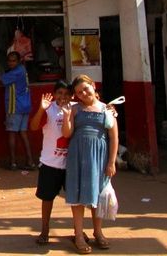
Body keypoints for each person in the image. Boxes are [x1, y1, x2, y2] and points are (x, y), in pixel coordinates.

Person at [62, 74, 119, 254]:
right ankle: (78, 235)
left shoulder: (107, 110)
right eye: (79, 92)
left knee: (97, 196)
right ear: (76, 95)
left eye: (86, 88)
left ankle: (98, 232)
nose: (83, 93)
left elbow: (114, 137)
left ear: (93, 86)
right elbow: (66, 134)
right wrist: (66, 116)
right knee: (77, 197)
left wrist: (111, 162)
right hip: (77, 156)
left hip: (99, 158)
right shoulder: (75, 109)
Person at [29, 80, 72, 245]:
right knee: (47, 199)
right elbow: (33, 127)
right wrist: (41, 108)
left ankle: (78, 229)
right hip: (50, 163)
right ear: (54, 94)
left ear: (71, 96)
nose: (63, 97)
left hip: (70, 164)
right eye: (60, 93)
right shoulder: (49, 109)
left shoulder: (74, 108)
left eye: (67, 94)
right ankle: (45, 229)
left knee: (76, 199)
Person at [0, 51, 35, 170]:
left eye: (13, 60)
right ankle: (30, 161)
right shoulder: (23, 70)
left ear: (18, 61)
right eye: (9, 60)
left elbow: (0, 81)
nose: (10, 63)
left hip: (15, 106)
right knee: (23, 133)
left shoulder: (15, 73)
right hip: (25, 105)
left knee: (12, 133)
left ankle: (13, 162)